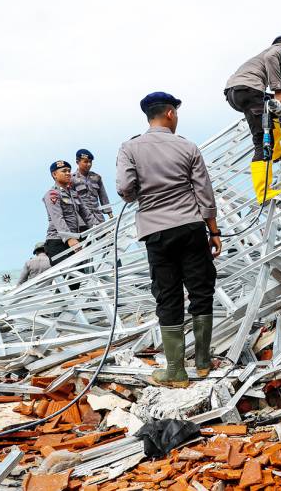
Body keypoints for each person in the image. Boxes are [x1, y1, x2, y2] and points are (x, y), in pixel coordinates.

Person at [116, 92, 221, 386]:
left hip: (156, 231)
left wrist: (140, 194)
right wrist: (213, 231)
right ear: (170, 114)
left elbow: (125, 188)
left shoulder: (130, 148)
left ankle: (175, 370)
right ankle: (202, 362)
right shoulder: (187, 147)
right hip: (190, 227)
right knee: (201, 290)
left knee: (167, 294)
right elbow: (204, 193)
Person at [224, 36, 281, 203]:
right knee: (261, 141)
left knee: (270, 108)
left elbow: (277, 89)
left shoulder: (263, 62)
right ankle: (263, 191)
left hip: (237, 92)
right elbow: (271, 58)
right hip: (248, 89)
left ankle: (277, 150)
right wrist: (277, 89)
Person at [42, 160, 96, 273]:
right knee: (69, 275)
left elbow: (86, 215)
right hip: (58, 241)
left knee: (78, 276)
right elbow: (58, 218)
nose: (68, 173)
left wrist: (100, 228)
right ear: (54, 175)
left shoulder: (74, 194)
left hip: (74, 239)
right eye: (64, 171)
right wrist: (69, 238)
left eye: (69, 171)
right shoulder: (52, 194)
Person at [72, 149, 113, 224]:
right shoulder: (72, 179)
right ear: (77, 162)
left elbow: (103, 197)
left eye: (90, 162)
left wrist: (109, 213)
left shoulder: (96, 177)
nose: (89, 164)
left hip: (98, 217)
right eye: (86, 162)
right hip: (82, 219)